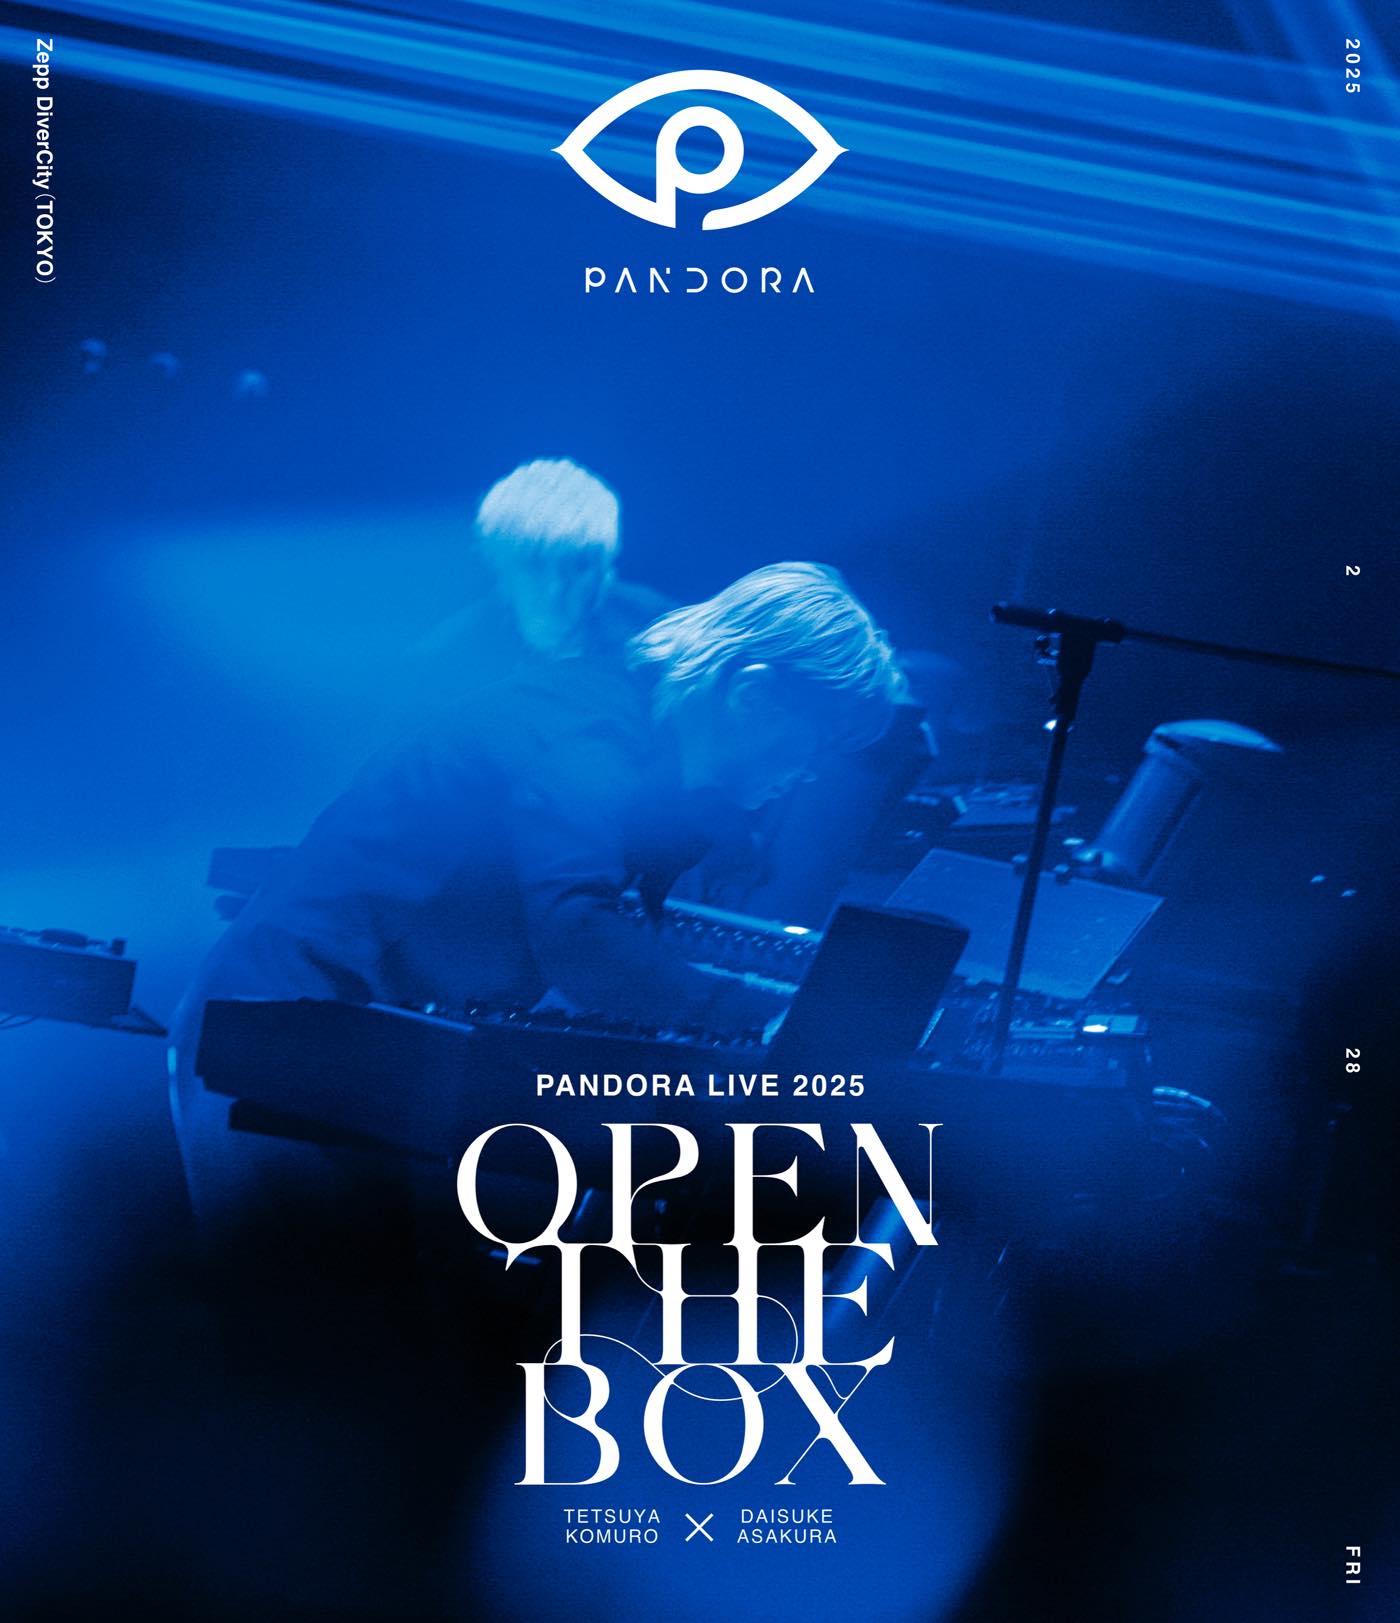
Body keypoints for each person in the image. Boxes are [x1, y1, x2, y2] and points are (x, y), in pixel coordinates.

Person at [168, 562, 905, 1223]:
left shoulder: (645, 749)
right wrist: (771, 1021)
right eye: (817, 743)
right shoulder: (579, 735)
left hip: (361, 1048)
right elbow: (578, 933)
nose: (811, 774)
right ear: (754, 695)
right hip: (280, 1032)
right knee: (300, 1320)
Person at [405, 457, 669, 702]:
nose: (556, 588)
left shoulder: (662, 636)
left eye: (578, 567)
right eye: (533, 565)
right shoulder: (441, 663)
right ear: (499, 568)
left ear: (606, 571)